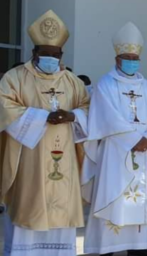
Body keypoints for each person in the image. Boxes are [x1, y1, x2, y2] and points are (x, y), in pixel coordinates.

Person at [0, 10, 89, 256]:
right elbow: (4, 107)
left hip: (66, 154)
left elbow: (88, 108)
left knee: (62, 204)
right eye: (45, 54)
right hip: (30, 156)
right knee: (29, 204)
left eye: (55, 55)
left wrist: (73, 116)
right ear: (34, 53)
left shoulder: (73, 81)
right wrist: (41, 117)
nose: (51, 58)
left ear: (61, 55)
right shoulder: (15, 78)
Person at [81, 22, 147, 256]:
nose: (131, 61)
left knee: (140, 199)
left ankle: (138, 247)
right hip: (115, 153)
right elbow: (106, 117)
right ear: (117, 59)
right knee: (115, 198)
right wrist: (134, 139)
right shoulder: (106, 84)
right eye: (127, 57)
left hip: (144, 151)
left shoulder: (146, 87)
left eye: (134, 57)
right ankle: (107, 247)